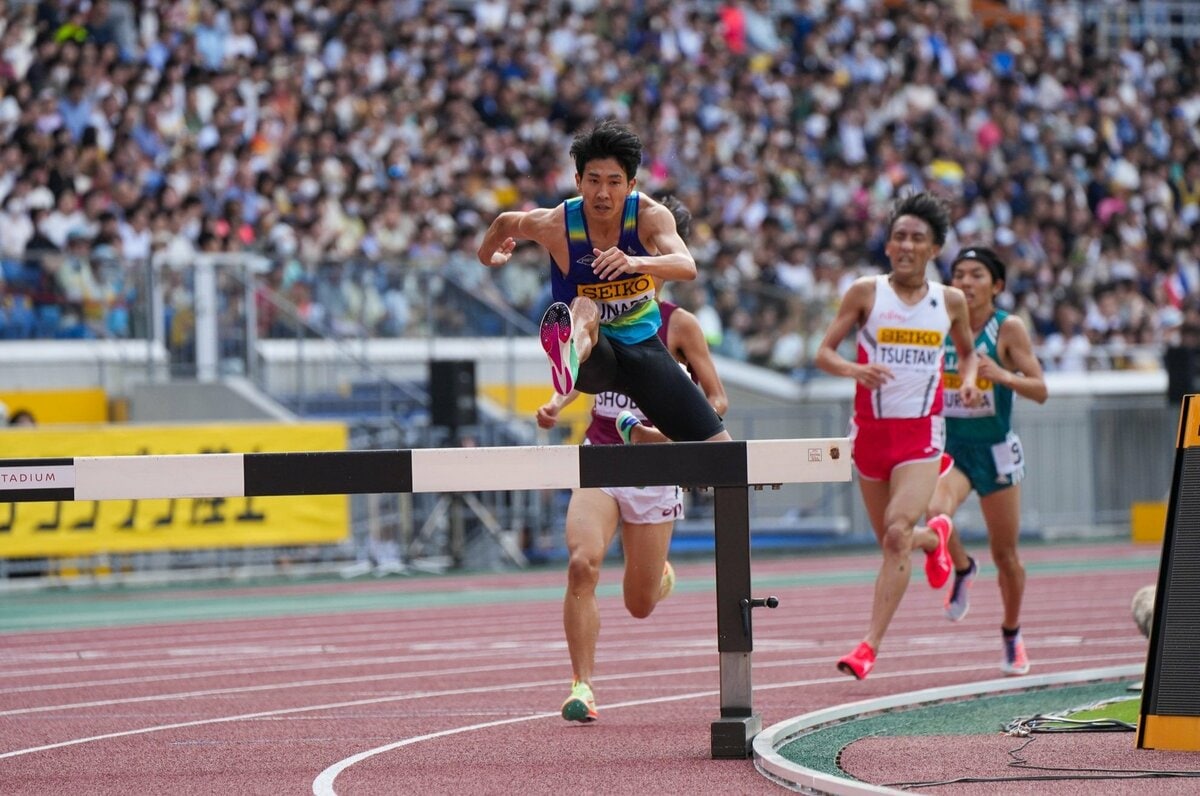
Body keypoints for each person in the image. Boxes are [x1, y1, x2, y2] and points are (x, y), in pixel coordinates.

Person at [536, 195, 729, 722]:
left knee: (638, 603)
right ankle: (582, 686)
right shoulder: (592, 306)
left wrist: (665, 435)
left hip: (656, 469)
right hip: (603, 456)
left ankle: (657, 574)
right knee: (581, 565)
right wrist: (556, 401)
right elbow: (586, 370)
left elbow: (716, 402)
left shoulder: (679, 324)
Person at [478, 119, 730, 444]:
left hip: (643, 347)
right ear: (578, 181)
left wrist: (634, 261)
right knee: (583, 307)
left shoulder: (649, 216)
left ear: (631, 184)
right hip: (596, 358)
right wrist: (489, 257)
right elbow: (504, 223)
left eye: (614, 182)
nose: (602, 193)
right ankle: (569, 352)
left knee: (722, 451)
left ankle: (643, 435)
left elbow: (686, 265)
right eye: (593, 181)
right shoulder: (557, 223)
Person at [814, 191, 981, 680]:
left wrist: (968, 383)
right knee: (894, 541)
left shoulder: (948, 302)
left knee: (893, 533)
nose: (906, 245)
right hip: (869, 435)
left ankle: (869, 646)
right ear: (888, 245)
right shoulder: (866, 293)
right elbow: (824, 353)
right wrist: (853, 370)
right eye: (899, 237)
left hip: (921, 436)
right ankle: (936, 539)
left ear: (934, 249)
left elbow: (967, 354)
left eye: (918, 239)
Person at [921, 246, 1047, 676]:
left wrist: (1001, 375)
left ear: (996, 285)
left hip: (994, 449)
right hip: (952, 447)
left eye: (976, 275)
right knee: (936, 512)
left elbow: (1040, 389)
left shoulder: (1007, 327)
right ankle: (961, 565)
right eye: (958, 274)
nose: (965, 282)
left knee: (1006, 555)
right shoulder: (938, 322)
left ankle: (1012, 632)